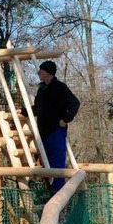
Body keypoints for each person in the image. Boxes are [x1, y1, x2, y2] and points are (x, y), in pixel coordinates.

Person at [30, 60, 80, 192]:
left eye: (41, 70)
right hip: (42, 133)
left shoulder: (60, 87)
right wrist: (23, 111)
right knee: (46, 166)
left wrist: (65, 119)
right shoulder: (41, 90)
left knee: (57, 165)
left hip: (56, 132)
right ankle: (49, 195)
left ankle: (58, 197)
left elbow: (74, 103)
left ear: (47, 73)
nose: (38, 72)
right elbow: (37, 109)